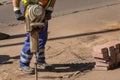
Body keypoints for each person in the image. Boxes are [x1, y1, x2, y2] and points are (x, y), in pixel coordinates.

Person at [12, 0, 56, 74]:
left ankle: (40, 61)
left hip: (42, 10)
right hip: (30, 10)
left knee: (42, 38)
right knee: (32, 38)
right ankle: (24, 64)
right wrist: (16, 10)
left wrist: (49, 10)